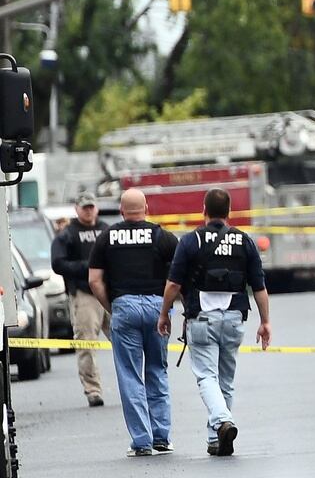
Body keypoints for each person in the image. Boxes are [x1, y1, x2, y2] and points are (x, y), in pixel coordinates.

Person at [158, 188, 272, 458]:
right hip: (234, 319)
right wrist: (265, 322)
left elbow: (174, 283)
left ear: (204, 210)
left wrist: (164, 314)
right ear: (229, 212)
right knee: (226, 382)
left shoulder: (191, 241)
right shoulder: (244, 241)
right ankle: (216, 439)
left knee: (206, 376)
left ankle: (222, 421)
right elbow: (259, 287)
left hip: (202, 320)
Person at [87, 189, 180, 457]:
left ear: (121, 211)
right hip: (156, 307)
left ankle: (141, 442)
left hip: (124, 306)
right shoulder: (162, 236)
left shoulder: (107, 237)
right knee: (157, 371)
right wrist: (173, 307)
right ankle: (162, 437)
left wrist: (113, 307)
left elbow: (94, 280)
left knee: (130, 376)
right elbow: (178, 277)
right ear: (147, 209)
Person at [51, 192, 109, 407]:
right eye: (84, 207)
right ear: (76, 209)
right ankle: (93, 390)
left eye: (91, 207)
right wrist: (86, 267)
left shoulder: (105, 229)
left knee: (125, 341)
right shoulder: (68, 234)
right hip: (85, 295)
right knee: (86, 344)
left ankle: (134, 385)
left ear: (97, 208)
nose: (88, 210)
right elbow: (58, 263)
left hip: (110, 292)